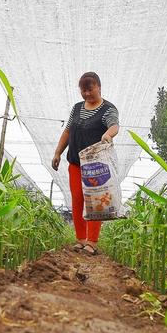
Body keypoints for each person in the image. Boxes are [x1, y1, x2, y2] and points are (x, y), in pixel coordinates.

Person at [52, 72, 119, 255]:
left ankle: (92, 242)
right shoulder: (77, 108)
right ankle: (80, 239)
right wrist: (58, 152)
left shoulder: (107, 109)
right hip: (74, 162)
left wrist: (108, 134)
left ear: (98, 86)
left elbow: (114, 125)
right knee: (77, 199)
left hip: (95, 165)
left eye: (90, 89)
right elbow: (68, 131)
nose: (87, 94)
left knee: (95, 201)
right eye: (83, 90)